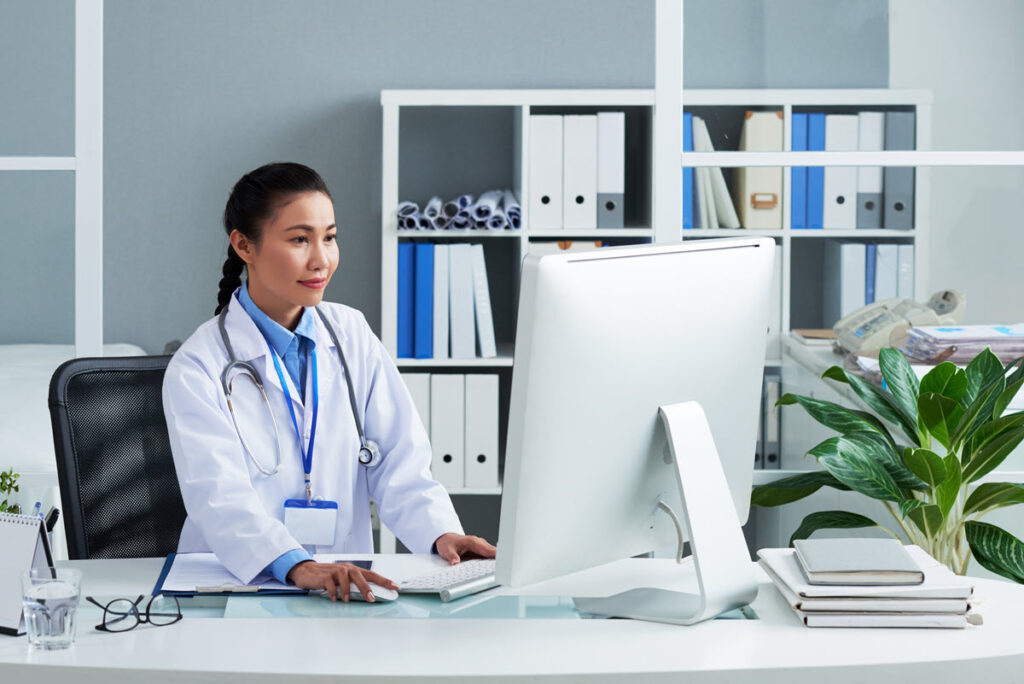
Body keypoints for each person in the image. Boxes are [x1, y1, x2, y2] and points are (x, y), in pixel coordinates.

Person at [162, 162, 495, 602]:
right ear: (244, 245)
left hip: (344, 584)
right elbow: (218, 498)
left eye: (330, 237)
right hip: (239, 588)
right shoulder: (198, 366)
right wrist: (298, 566)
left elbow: (400, 462)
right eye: (299, 239)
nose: (321, 259)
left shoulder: (351, 333)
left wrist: (442, 534)